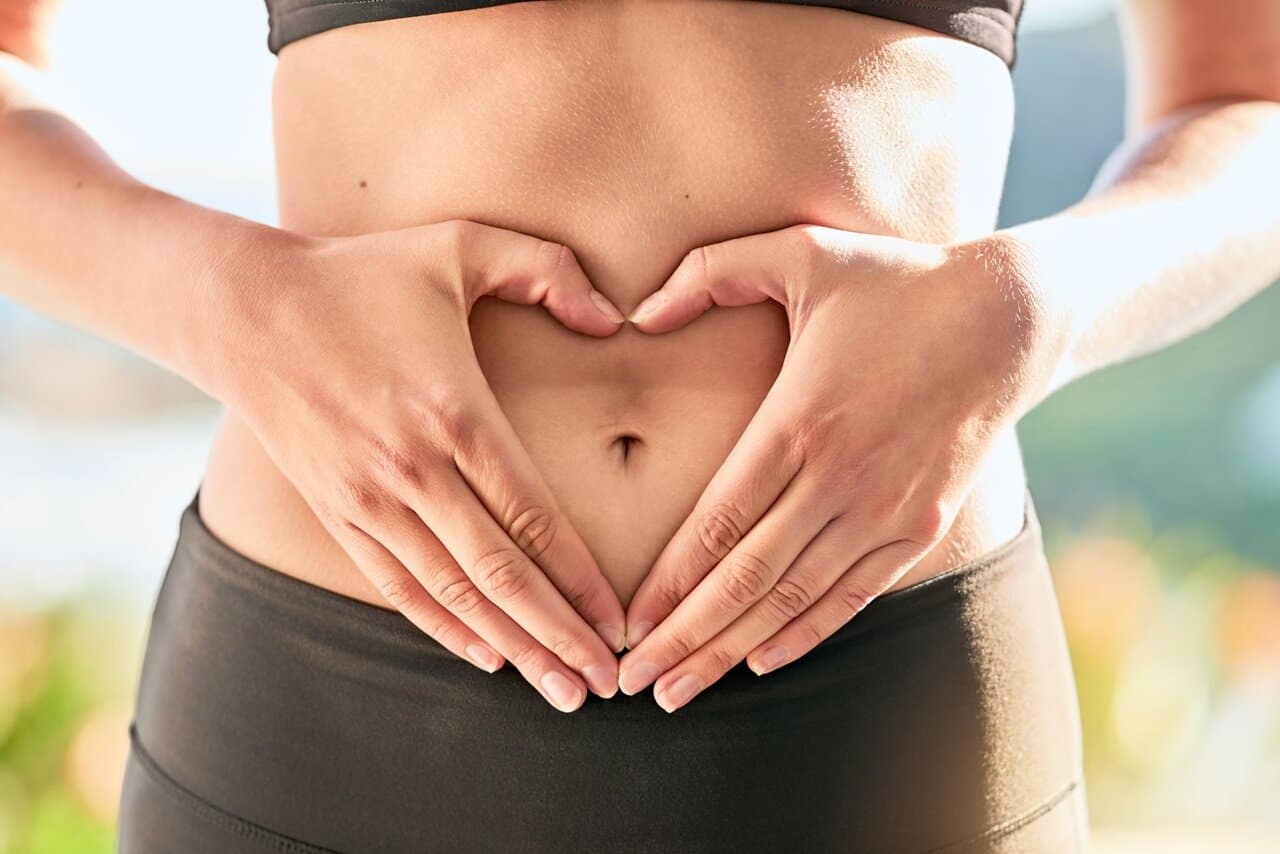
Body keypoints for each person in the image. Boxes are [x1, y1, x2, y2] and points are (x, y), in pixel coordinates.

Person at [1, 0, 1277, 850]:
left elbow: (1249, 107)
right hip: (328, 698)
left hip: (879, 705)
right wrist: (233, 305)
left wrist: (1029, 306)